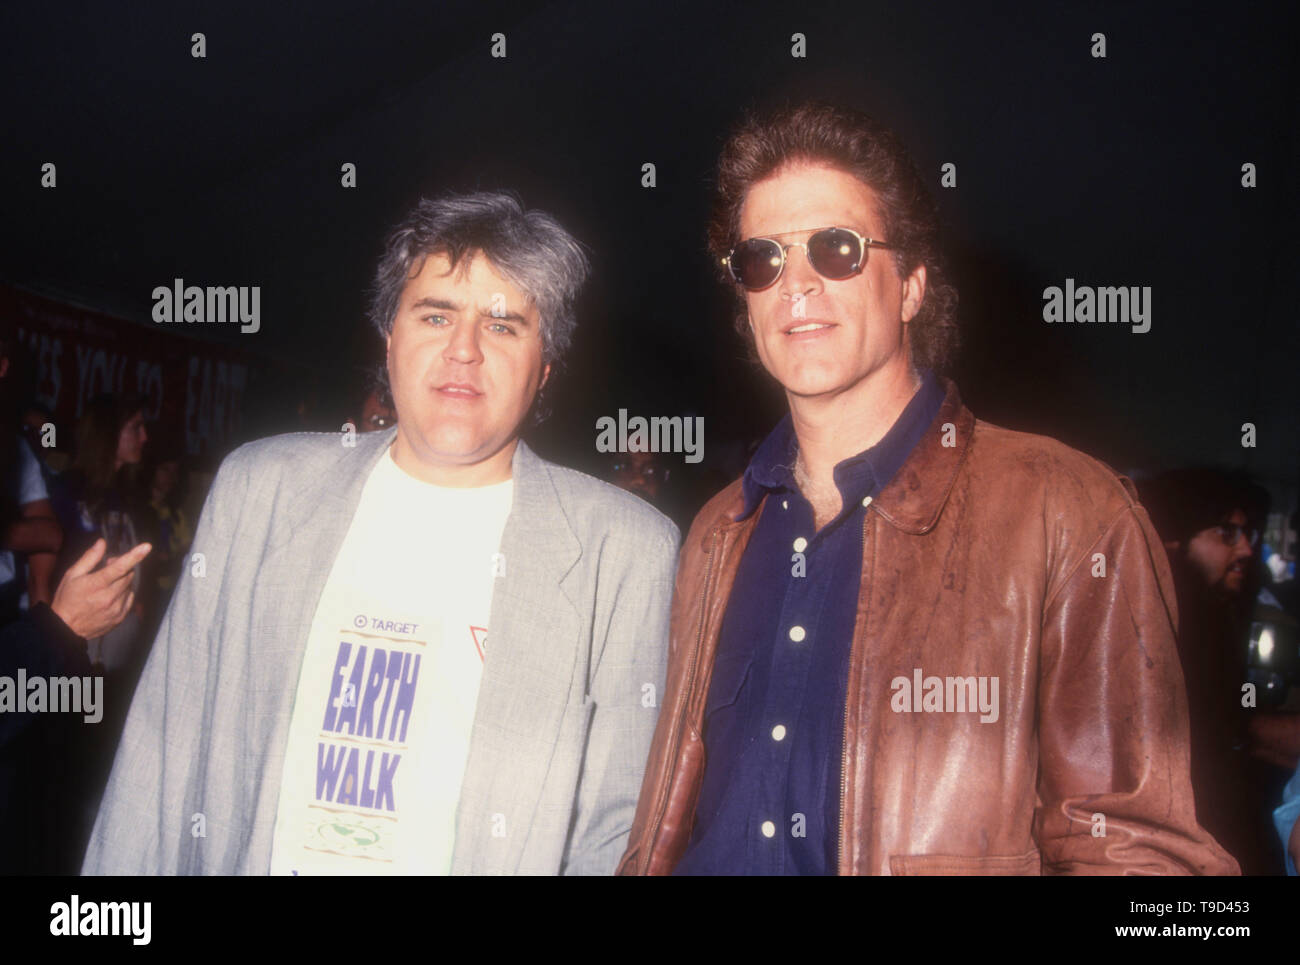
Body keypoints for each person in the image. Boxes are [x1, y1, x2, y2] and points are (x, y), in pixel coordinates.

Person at [619, 102, 1235, 875]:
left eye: (836, 249)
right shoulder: (718, 529)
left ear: (911, 285)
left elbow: (1142, 858)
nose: (796, 284)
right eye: (762, 259)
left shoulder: (1068, 509)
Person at [83, 191, 678, 875]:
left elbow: (616, 827)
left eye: (505, 325)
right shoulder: (262, 489)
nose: (464, 350)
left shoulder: (624, 552)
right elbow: (161, 749)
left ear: (545, 370)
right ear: (390, 338)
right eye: (435, 314)